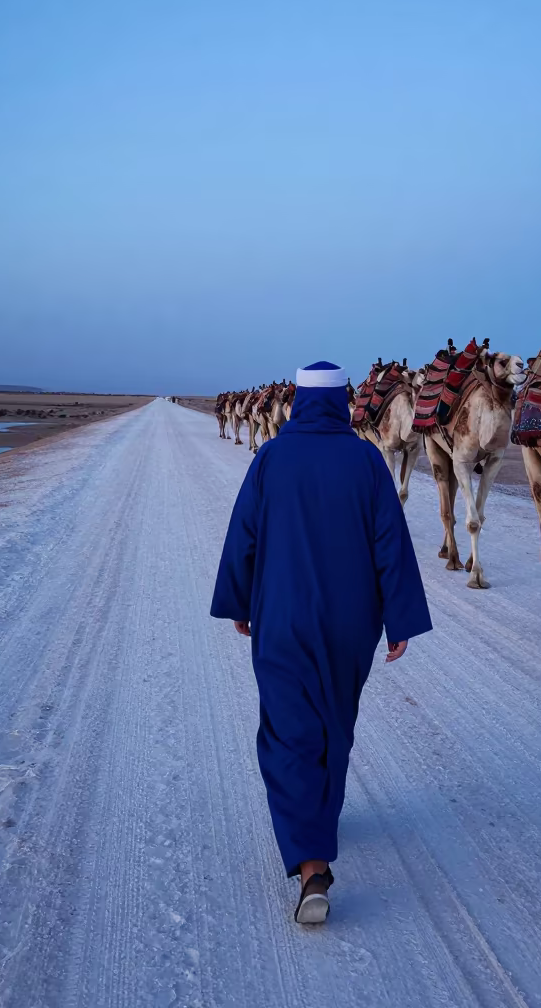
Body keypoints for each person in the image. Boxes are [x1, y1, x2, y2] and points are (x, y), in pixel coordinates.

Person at [211, 361, 432, 924]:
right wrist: (399, 618)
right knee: (334, 720)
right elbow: (391, 542)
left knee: (288, 731)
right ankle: (321, 818)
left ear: (301, 402)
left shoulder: (270, 459)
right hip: (350, 624)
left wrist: (238, 603)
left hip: (282, 619)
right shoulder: (366, 460)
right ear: (341, 404)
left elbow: (244, 537)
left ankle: (312, 866)